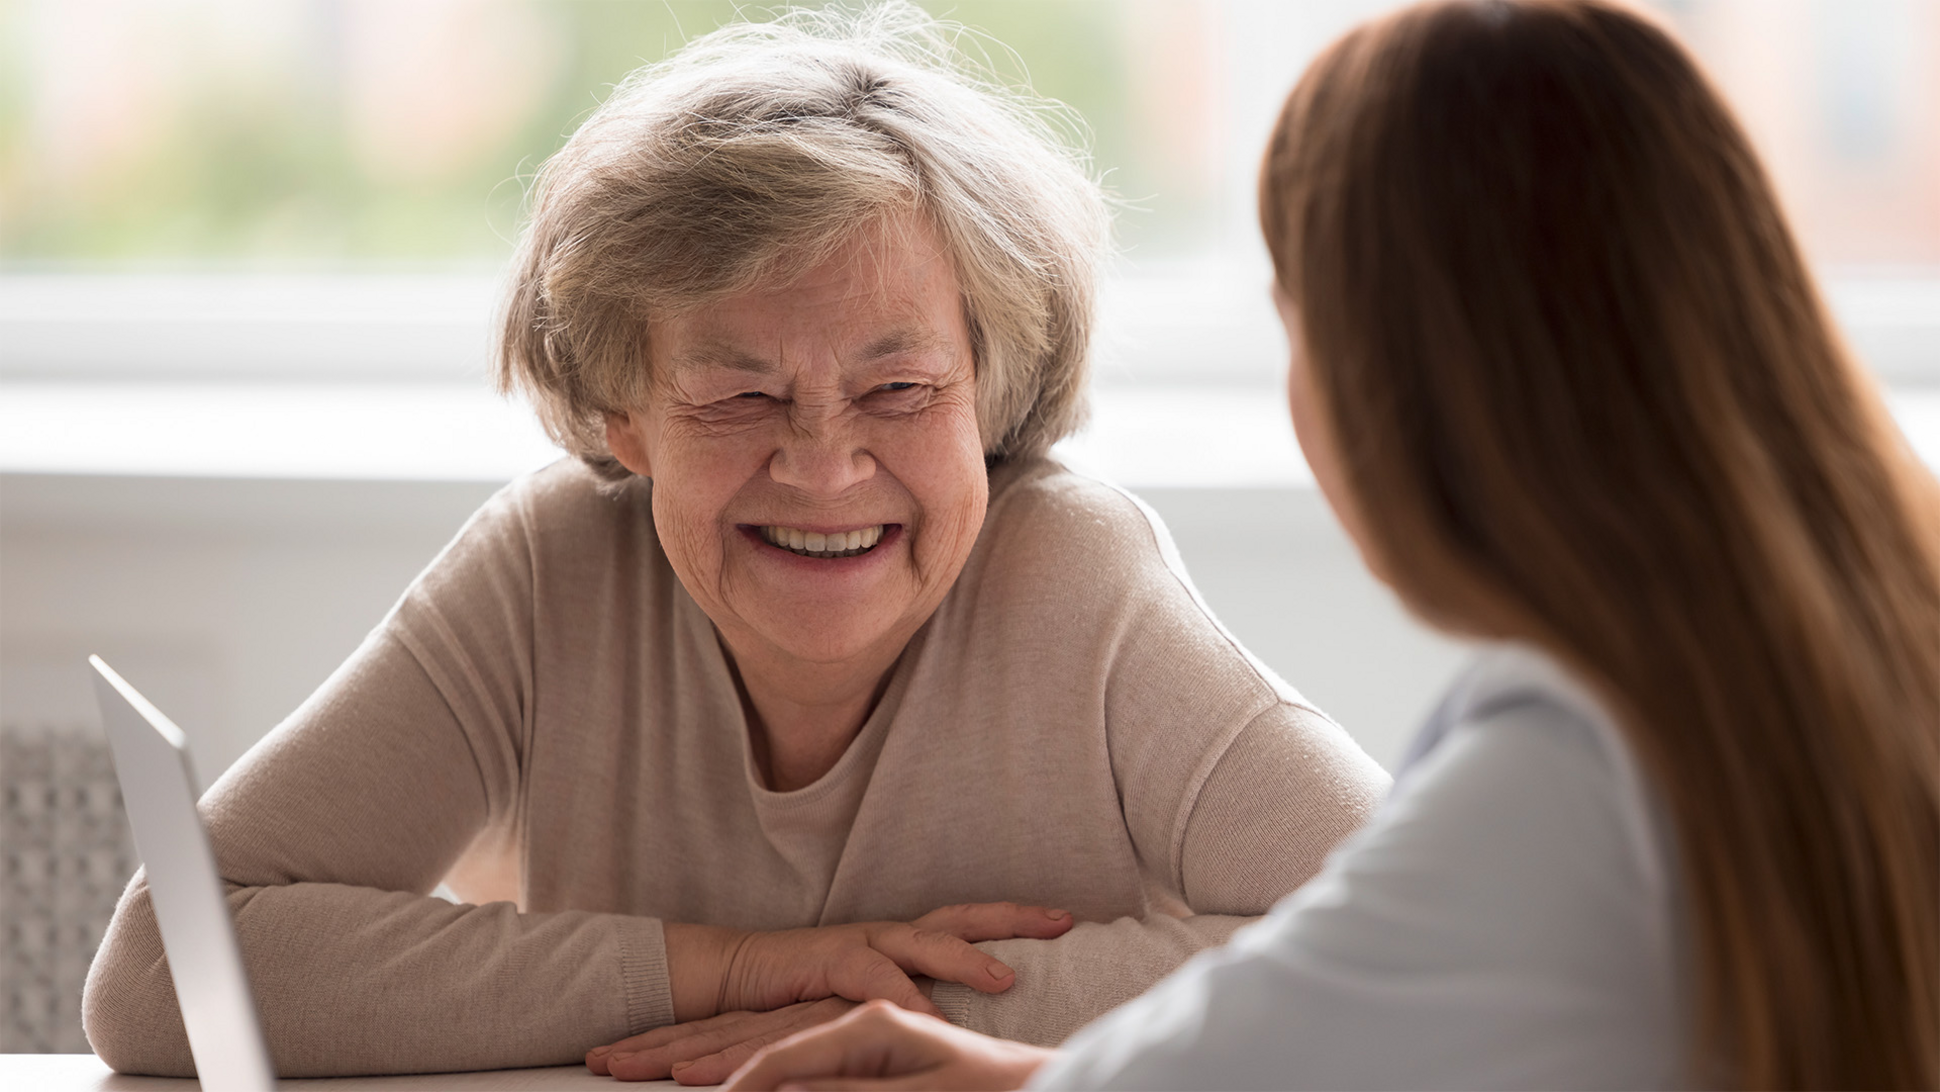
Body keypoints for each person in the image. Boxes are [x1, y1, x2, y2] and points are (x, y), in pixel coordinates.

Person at [80, 3, 1391, 1082]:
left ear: (988, 394)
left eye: (899, 391)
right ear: (622, 412)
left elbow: (1425, 937)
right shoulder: (550, 574)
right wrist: (730, 965)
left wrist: (934, 1012)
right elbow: (159, 980)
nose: (824, 466)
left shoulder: (1072, 580)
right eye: (739, 396)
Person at [720, 1, 1940, 1088]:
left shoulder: (1568, 766)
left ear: (1399, 382)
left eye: (1294, 325)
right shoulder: (1851, 645)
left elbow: (1272, 1045)